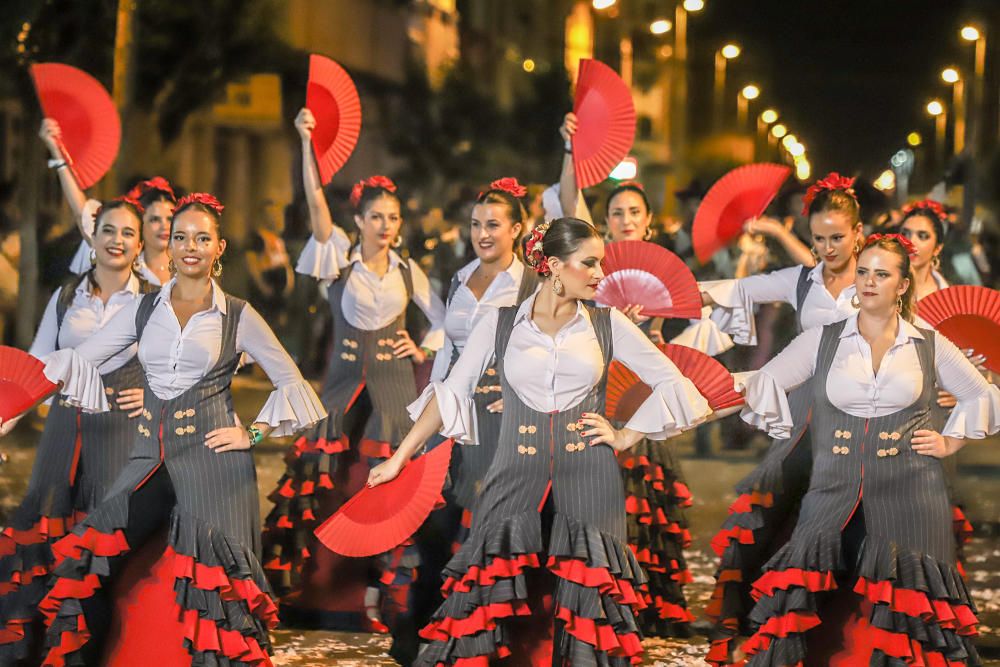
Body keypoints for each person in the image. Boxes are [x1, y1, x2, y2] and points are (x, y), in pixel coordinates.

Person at [369, 217, 715, 666]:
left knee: (588, 599)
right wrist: (400, 456)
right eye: (589, 263)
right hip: (513, 470)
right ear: (553, 266)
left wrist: (626, 435)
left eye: (600, 264)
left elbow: (673, 383)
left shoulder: (607, 323)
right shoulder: (500, 323)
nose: (599, 274)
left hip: (590, 475)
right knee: (488, 588)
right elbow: (452, 390)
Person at [31, 193, 325, 666]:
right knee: (89, 565)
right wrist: (18, 393)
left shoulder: (238, 314)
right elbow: (79, 360)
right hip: (148, 457)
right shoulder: (145, 310)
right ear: (167, 246)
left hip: (214, 467)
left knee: (217, 596)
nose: (191, 247)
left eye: (202, 238)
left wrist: (251, 434)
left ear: (219, 248)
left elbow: (291, 380)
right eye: (181, 237)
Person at [733, 233, 998, 665]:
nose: (869, 282)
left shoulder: (927, 342)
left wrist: (951, 440)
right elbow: (764, 380)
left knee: (905, 613)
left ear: (903, 285)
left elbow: (983, 395)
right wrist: (701, 388)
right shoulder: (823, 339)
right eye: (863, 272)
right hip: (832, 490)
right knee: (812, 601)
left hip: (913, 495)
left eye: (882, 274)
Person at [261, 108, 444, 634]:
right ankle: (321, 591)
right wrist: (305, 141)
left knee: (382, 486)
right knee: (328, 481)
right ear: (358, 220)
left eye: (393, 218)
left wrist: (421, 344)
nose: (385, 226)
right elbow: (316, 203)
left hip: (391, 391)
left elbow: (447, 321)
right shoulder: (336, 258)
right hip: (341, 387)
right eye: (376, 217)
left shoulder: (410, 269)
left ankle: (381, 598)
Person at [702, 172, 866, 664]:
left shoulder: (878, 276)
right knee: (771, 508)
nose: (828, 247)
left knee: (863, 524)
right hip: (807, 411)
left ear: (859, 234)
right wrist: (660, 293)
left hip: (866, 416)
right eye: (818, 238)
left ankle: (852, 638)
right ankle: (755, 625)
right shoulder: (803, 279)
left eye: (838, 237)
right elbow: (736, 289)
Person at [391, 177, 539, 664]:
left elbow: (542, 355)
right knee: (435, 523)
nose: (482, 233)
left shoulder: (531, 284)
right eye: (476, 224)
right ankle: (421, 627)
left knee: (481, 528)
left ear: (517, 229)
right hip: (451, 414)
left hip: (499, 421)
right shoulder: (459, 277)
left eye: (494, 225)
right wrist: (428, 411)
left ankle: (478, 636)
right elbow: (450, 351)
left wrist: (518, 399)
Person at [0, 198, 152, 663]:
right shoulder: (67, 296)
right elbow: (39, 365)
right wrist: (5, 418)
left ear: (140, 244)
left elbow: (179, 368)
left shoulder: (154, 301)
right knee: (47, 533)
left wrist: (152, 397)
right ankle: (47, 649)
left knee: (101, 544)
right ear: (94, 237)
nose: (116, 240)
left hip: (120, 433)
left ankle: (95, 649)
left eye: (127, 233)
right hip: (64, 430)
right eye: (108, 230)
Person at [39, 118, 176, 286]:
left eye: (170, 219)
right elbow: (81, 212)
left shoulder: (188, 265)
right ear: (139, 225)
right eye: (154, 219)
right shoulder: (124, 260)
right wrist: (58, 154)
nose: (165, 226)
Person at [245, 199, 295, 328]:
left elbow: (285, 264)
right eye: (273, 214)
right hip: (267, 290)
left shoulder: (278, 239)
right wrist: (262, 286)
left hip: (279, 295)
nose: (277, 218)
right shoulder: (259, 238)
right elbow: (251, 261)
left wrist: (289, 283)